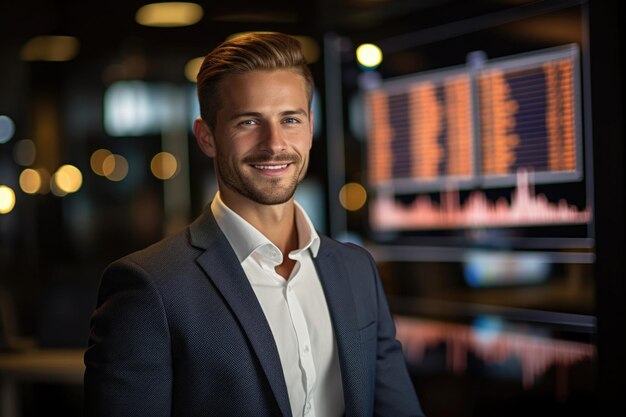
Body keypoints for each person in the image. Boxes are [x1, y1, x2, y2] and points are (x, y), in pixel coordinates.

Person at [83, 32, 425, 417]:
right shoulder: (150, 288)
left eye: (290, 119)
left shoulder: (357, 270)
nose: (274, 143)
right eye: (249, 122)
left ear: (310, 128)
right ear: (207, 137)